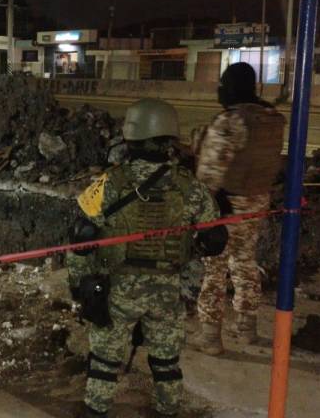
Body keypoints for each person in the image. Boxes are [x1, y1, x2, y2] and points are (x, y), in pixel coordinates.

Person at [67, 98, 224, 417]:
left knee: (104, 361)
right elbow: (214, 240)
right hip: (168, 290)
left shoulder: (109, 183)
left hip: (118, 288)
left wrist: (79, 286)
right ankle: (168, 409)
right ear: (169, 139)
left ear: (130, 136)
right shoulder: (190, 188)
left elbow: (81, 238)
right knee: (166, 361)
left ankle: (96, 411)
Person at [193, 62, 286, 355]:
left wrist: (201, 210)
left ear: (231, 87)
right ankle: (246, 328)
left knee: (214, 269)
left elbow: (208, 175)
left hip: (226, 206)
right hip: (257, 201)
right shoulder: (271, 118)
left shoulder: (231, 121)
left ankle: (210, 336)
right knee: (245, 263)